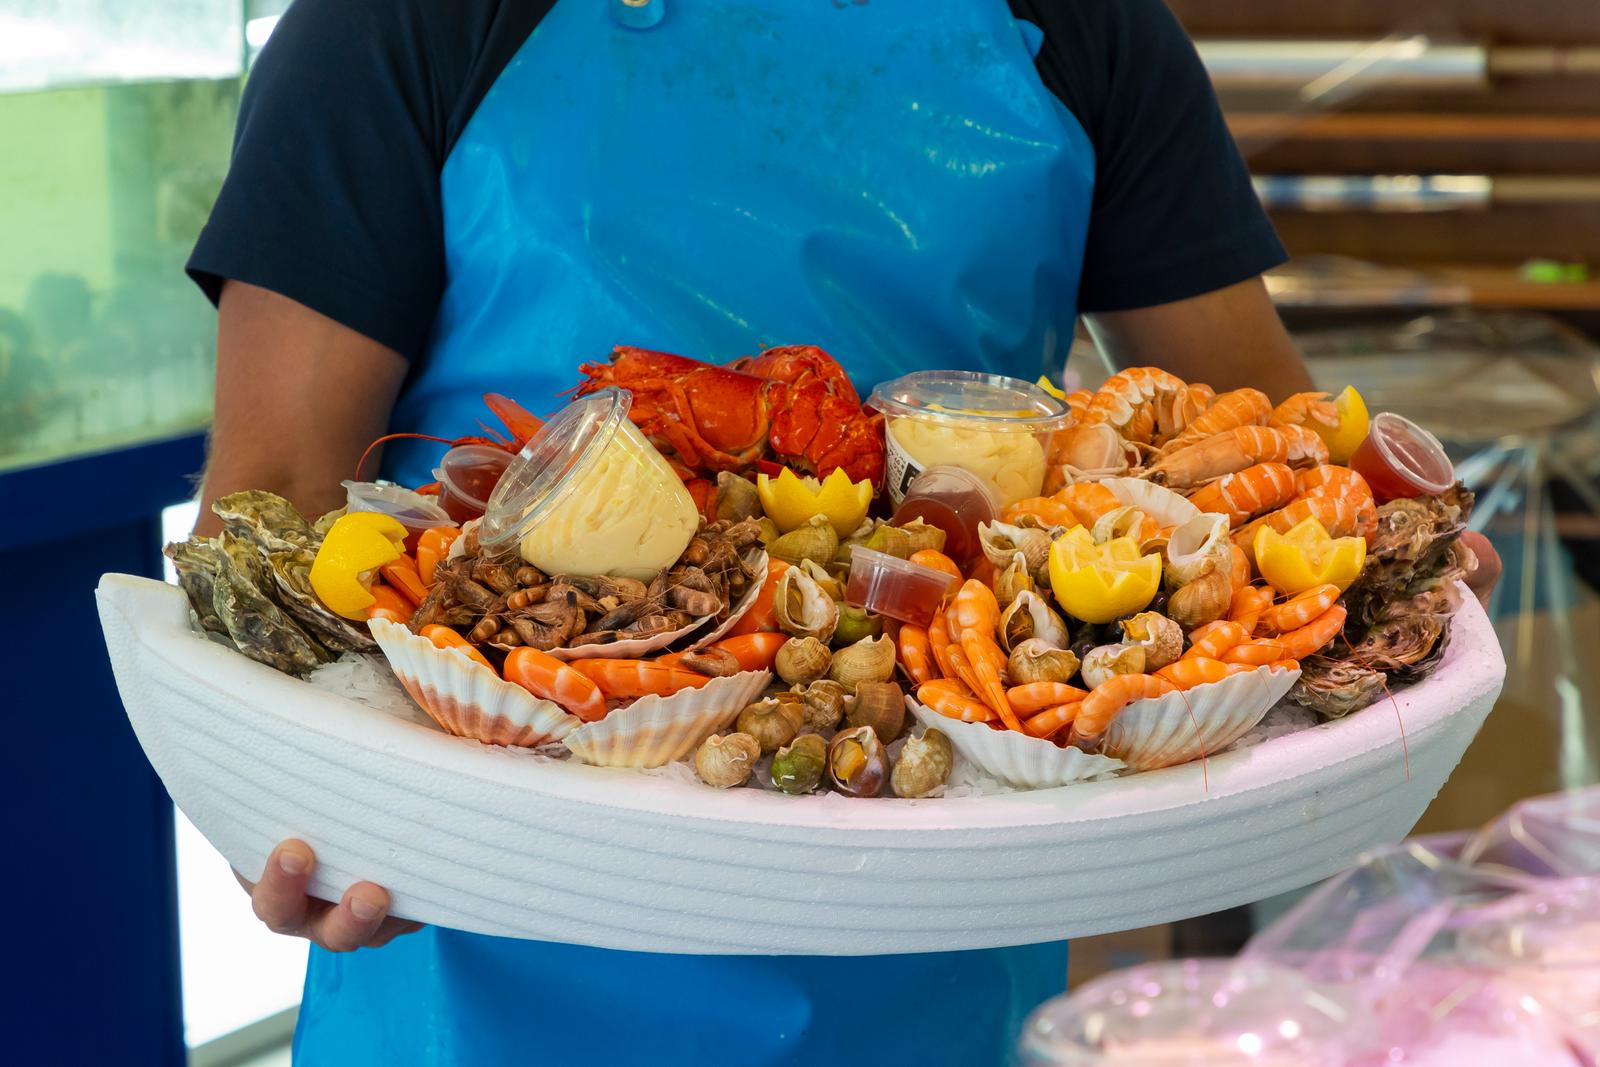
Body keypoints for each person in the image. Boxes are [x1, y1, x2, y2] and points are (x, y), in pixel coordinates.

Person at [186, 1, 1500, 1062]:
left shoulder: (1086, 26)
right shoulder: (394, 24)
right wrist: (287, 799)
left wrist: (1390, 553)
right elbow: (275, 499)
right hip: (475, 928)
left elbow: (1256, 434)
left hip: (937, 902)